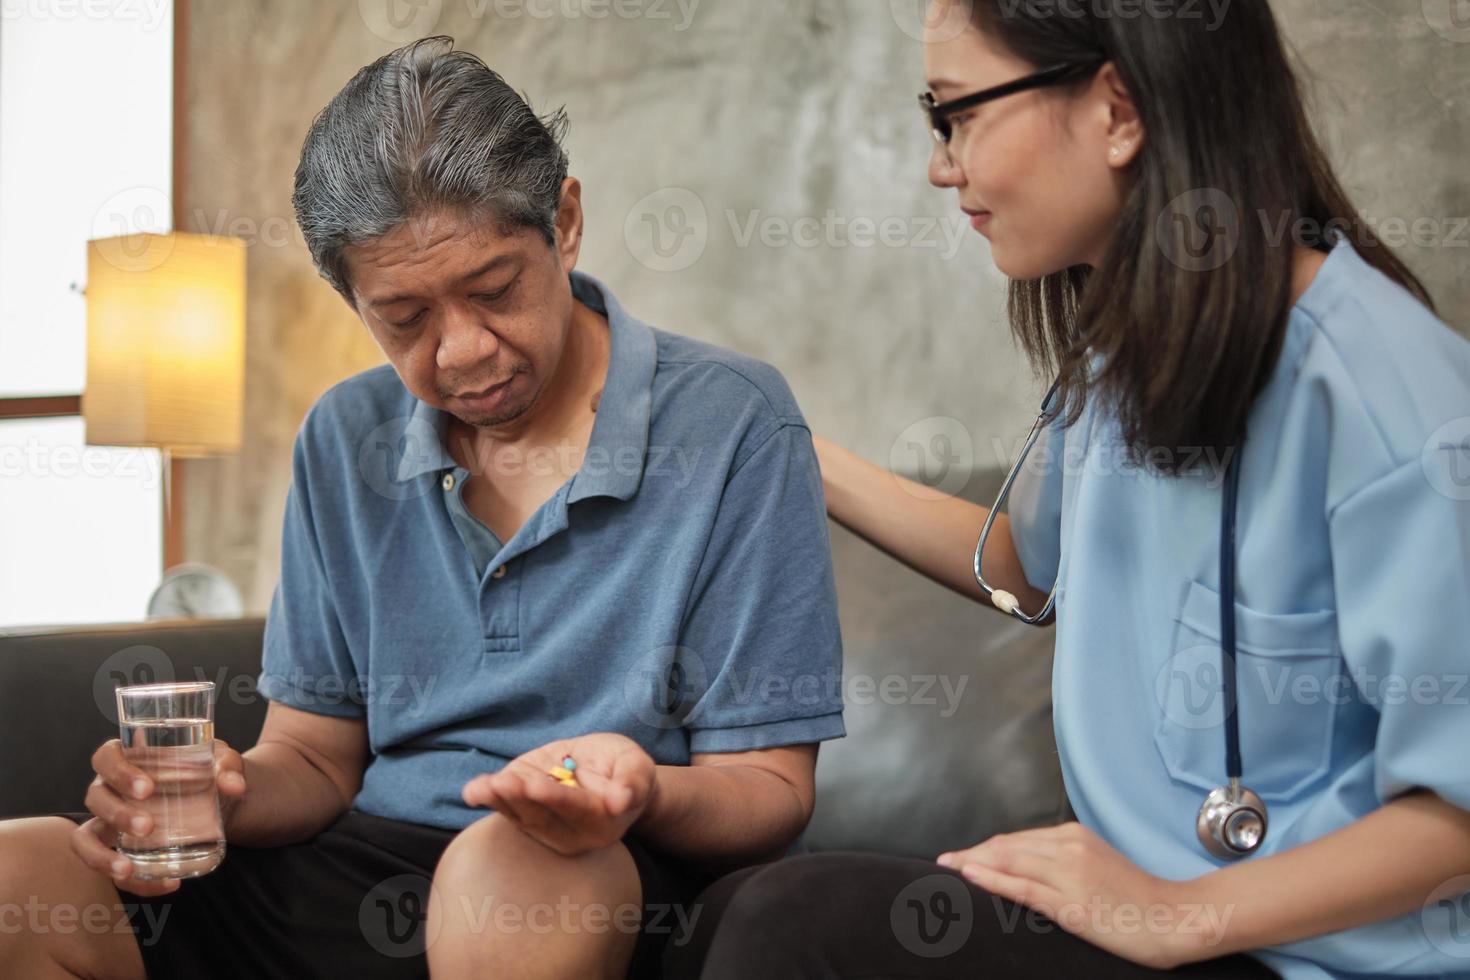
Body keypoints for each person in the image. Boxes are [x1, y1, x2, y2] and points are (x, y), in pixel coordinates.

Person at [0, 37, 844, 980]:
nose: (461, 352)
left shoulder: (732, 422)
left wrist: (638, 789)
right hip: (373, 870)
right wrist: (220, 794)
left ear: (564, 223)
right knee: (18, 873)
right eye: (404, 319)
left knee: (507, 870)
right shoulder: (344, 436)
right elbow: (315, 761)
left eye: (494, 292)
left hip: (608, 877)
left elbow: (770, 787)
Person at [665, 1, 1470, 978]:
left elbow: (1456, 808)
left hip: (1300, 957)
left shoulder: (1392, 398)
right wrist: (790, 448)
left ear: (1118, 111)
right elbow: (1033, 568)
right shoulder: (1130, 355)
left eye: (958, 113)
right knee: (724, 908)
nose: (940, 162)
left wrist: (1184, 912)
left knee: (793, 923)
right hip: (1163, 935)